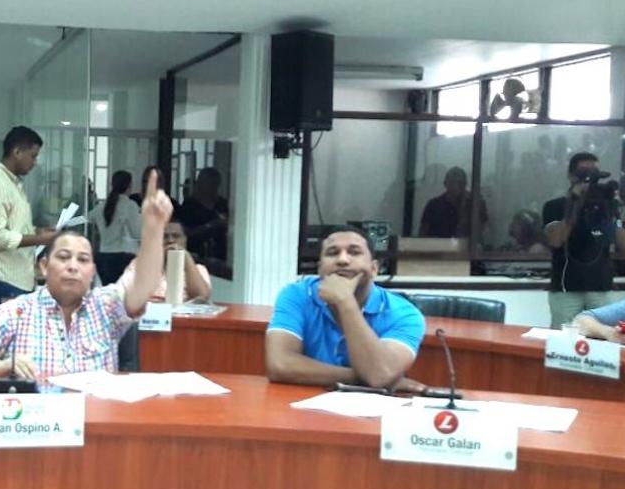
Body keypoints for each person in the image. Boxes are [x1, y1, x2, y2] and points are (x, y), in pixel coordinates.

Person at [0, 170, 174, 380]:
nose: (73, 266)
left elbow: (144, 284)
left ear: (92, 271)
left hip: (97, 421)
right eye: (63, 257)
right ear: (44, 266)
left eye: (82, 260)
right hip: (41, 423)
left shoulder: (106, 307)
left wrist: (154, 229)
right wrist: (1, 366)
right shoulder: (18, 311)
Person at [265, 226, 426, 388]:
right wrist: (367, 378)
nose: (342, 260)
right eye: (332, 253)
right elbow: (280, 365)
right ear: (320, 268)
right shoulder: (296, 295)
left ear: (374, 268)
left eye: (354, 252)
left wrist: (345, 301)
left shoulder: (405, 314)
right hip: (304, 405)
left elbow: (379, 375)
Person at [543, 152, 625, 327]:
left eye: (594, 172)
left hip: (601, 287)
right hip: (566, 288)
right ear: (570, 176)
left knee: (605, 340)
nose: (590, 178)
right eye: (583, 172)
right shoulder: (555, 206)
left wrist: (614, 212)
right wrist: (574, 204)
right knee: (563, 343)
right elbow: (556, 240)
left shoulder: (604, 205)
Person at [0, 126, 58, 310]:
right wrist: (38, 239)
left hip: (19, 281)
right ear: (17, 152)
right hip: (4, 282)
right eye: (33, 156)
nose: (35, 162)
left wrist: (38, 231)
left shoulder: (13, 185)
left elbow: (14, 228)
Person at [117, 218, 212, 302]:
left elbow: (201, 298)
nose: (170, 240)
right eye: (164, 236)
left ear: (185, 239)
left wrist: (186, 258)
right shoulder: (139, 264)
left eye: (176, 236)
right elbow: (123, 294)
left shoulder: (198, 269)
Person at [96, 170, 141, 285]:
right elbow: (137, 233)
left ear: (112, 184)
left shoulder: (101, 206)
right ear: (129, 186)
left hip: (103, 256)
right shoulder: (130, 206)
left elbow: (86, 218)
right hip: (122, 257)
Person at [418, 166, 488, 238]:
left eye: (460, 183)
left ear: (465, 184)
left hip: (467, 248)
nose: (456, 187)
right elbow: (423, 235)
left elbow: (481, 232)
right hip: (438, 247)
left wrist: (464, 207)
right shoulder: (433, 206)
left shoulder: (476, 204)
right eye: (452, 182)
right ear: (445, 184)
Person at [178, 166, 229, 261]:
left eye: (215, 183)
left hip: (220, 256)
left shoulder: (222, 204)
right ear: (200, 183)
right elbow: (184, 233)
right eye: (209, 183)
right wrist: (209, 226)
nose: (213, 187)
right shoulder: (189, 206)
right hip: (196, 255)